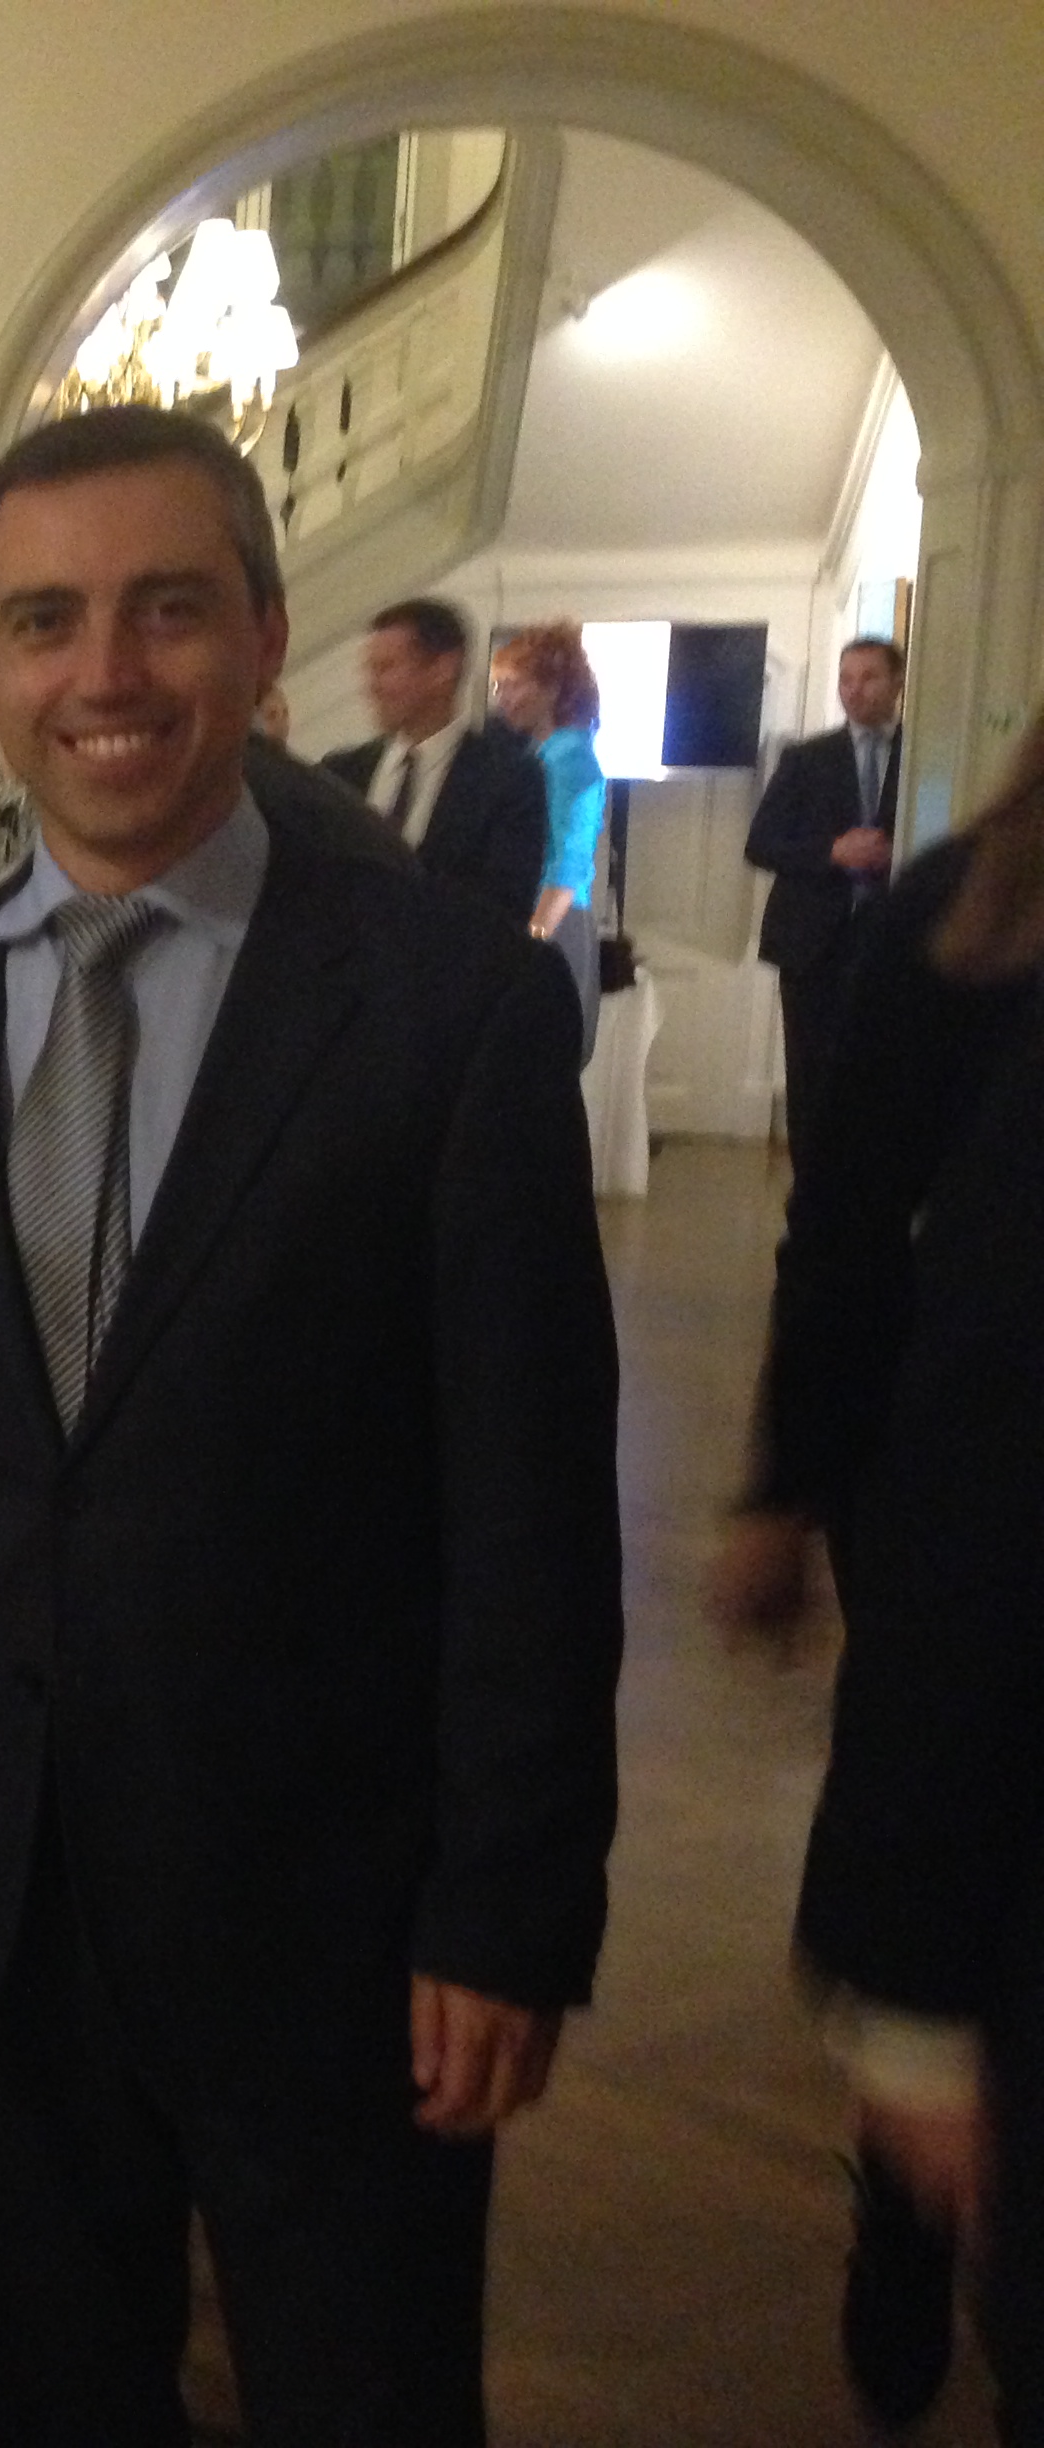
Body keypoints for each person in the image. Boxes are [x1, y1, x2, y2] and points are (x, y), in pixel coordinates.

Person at [0, 404, 622, 2446]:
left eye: (165, 609)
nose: (105, 672)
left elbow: (528, 1508)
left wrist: (506, 1907)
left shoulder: (448, 1010)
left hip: (335, 1912)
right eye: (43, 621)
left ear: (264, 635)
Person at [715, 715, 1044, 2426]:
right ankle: (908, 2217)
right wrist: (784, 1487)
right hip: (954, 1503)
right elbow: (845, 1223)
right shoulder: (964, 906)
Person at [747, 637, 909, 1159]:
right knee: (810, 1078)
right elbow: (760, 844)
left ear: (898, 683)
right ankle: (809, 1191)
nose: (854, 690)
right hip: (812, 947)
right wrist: (831, 851)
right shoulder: (806, 759)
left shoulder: (923, 753)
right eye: (846, 679)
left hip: (894, 941)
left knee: (884, 1076)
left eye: (869, 677)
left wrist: (901, 850)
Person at [318, 595, 550, 929]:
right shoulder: (340, 774)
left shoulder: (508, 781)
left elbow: (502, 913)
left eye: (386, 668)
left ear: (443, 670)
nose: (372, 687)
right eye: (370, 670)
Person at [489, 619, 608, 1066]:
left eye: (513, 685)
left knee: (544, 1059)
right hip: (536, 919)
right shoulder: (537, 755)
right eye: (498, 686)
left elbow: (568, 869)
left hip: (554, 922)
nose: (502, 697)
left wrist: (529, 947)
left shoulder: (570, 760)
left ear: (553, 688)